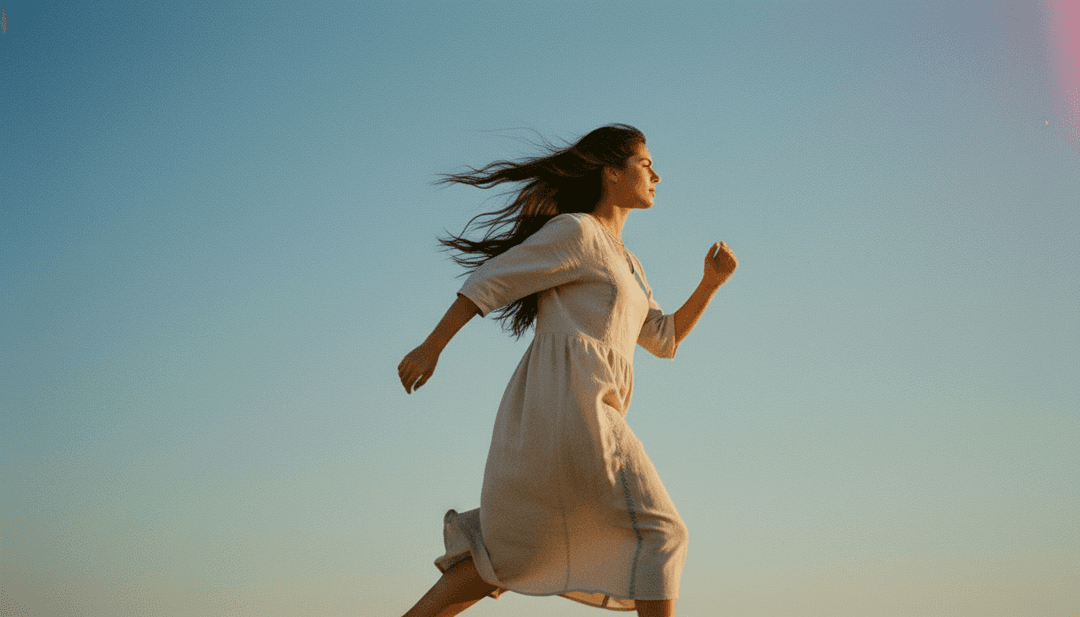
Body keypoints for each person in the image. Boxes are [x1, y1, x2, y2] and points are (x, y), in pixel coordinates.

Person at [396, 124, 737, 617]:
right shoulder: (578, 232)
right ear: (611, 173)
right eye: (645, 165)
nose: (657, 175)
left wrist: (710, 283)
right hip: (574, 409)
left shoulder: (630, 264)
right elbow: (491, 280)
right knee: (663, 534)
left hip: (579, 413)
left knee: (514, 550)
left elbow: (663, 338)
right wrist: (431, 347)